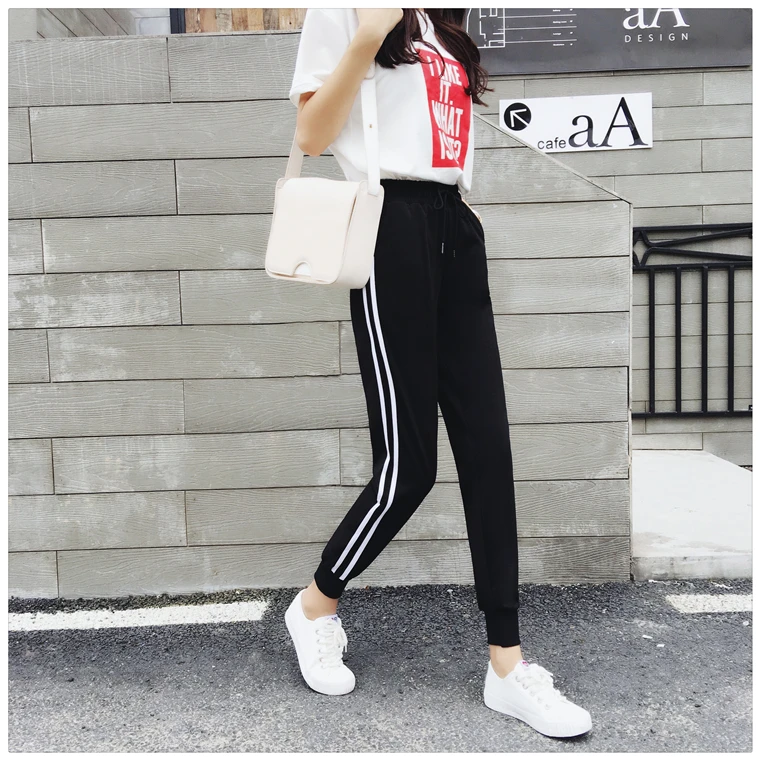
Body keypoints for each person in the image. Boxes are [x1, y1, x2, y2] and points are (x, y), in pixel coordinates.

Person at [282, 8, 592, 739]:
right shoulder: (345, 11)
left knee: (488, 451)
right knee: (408, 468)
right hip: (388, 228)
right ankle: (316, 604)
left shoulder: (437, 21)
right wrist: (368, 36)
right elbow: (313, 135)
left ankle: (507, 665)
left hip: (455, 225)